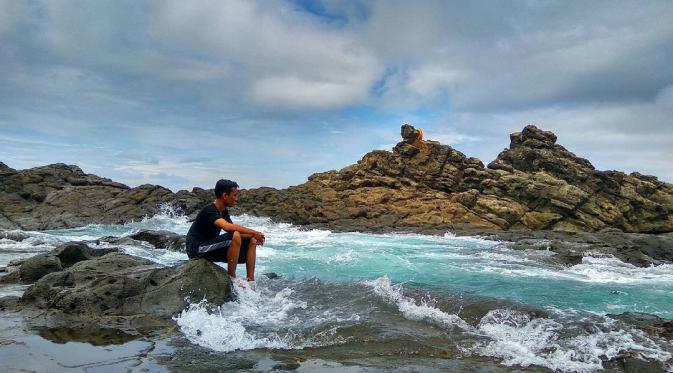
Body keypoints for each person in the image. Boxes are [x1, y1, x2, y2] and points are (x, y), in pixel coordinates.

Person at [186, 179, 265, 281]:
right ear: (225, 196)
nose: (236, 199)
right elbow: (227, 227)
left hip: (209, 247)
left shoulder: (223, 212)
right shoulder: (210, 210)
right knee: (235, 236)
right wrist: (254, 232)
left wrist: (253, 236)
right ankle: (232, 278)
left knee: (252, 240)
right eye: (235, 195)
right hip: (197, 249)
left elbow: (232, 231)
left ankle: (251, 281)